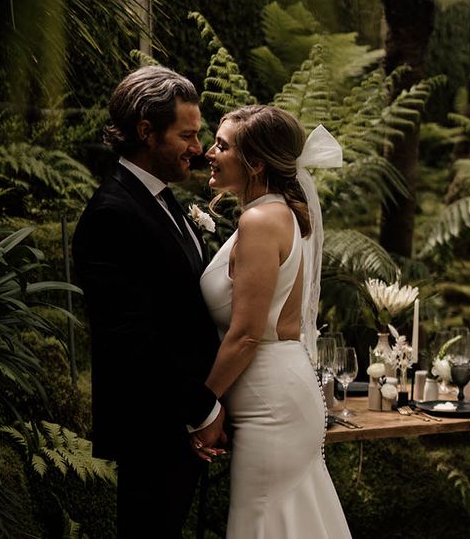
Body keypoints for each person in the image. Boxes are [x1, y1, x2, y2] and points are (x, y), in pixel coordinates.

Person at [72, 66, 226, 538]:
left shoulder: (160, 198)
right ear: (146, 132)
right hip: (155, 427)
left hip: (181, 427)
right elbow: (131, 338)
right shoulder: (111, 214)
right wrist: (202, 410)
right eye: (188, 135)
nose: (198, 150)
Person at [197, 105, 352, 538]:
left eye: (222, 145)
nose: (210, 152)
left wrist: (202, 405)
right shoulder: (280, 211)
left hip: (271, 406)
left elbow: (246, 334)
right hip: (275, 393)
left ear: (257, 162)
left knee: (263, 521)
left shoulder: (261, 220)